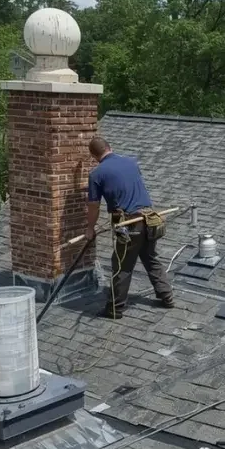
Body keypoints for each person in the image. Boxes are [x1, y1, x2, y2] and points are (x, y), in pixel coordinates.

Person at [86, 136, 174, 319]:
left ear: (93, 155)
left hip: (128, 224)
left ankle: (115, 309)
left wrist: (89, 229)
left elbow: (94, 206)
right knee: (150, 258)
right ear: (110, 147)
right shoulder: (131, 162)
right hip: (149, 219)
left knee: (122, 266)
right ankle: (167, 296)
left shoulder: (97, 174)